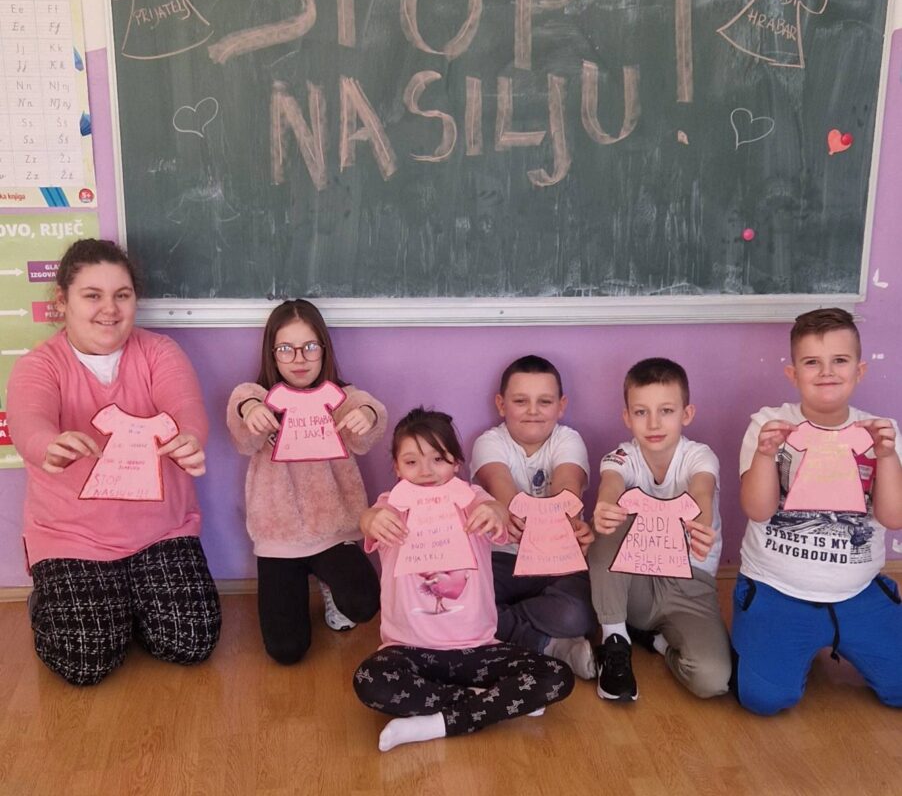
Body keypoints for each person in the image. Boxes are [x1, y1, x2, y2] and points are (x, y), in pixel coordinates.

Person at [7, 238, 221, 686]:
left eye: (122, 295)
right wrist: (49, 444)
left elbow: (186, 407)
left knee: (192, 640)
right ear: (62, 301)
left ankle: (124, 601)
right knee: (84, 661)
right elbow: (29, 423)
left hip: (160, 531)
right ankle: (60, 599)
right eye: (93, 295)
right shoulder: (39, 366)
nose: (110, 309)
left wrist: (189, 437)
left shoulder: (159, 351)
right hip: (72, 538)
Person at [353, 407, 574, 752]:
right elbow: (371, 517)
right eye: (411, 462)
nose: (425, 471)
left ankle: (435, 723)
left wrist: (493, 511)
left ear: (457, 463)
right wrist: (370, 520)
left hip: (477, 650)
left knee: (556, 676)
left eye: (438, 459)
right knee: (370, 680)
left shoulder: (472, 499)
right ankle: (486, 702)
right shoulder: (393, 505)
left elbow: (498, 511)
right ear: (396, 468)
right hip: (409, 652)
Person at [733, 307, 902, 714]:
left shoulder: (880, 431)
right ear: (793, 374)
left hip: (857, 591)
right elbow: (757, 509)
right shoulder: (769, 424)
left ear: (859, 371)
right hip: (777, 588)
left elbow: (894, 518)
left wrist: (887, 456)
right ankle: (767, 639)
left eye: (839, 360)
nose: (826, 372)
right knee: (765, 699)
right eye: (812, 362)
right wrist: (765, 454)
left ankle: (862, 622)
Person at [226, 298, 386, 664]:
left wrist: (367, 415)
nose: (299, 359)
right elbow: (242, 407)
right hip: (279, 537)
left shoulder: (340, 397)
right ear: (272, 354)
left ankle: (329, 583)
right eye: (286, 349)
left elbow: (369, 411)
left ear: (324, 349)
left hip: (333, 531)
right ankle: (297, 585)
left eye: (309, 347)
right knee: (286, 650)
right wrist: (251, 411)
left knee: (363, 603)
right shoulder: (260, 398)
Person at [589, 357, 731, 703]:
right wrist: (605, 505)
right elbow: (611, 483)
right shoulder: (622, 456)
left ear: (686, 414)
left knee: (712, 679)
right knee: (612, 520)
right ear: (627, 417)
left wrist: (698, 522)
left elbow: (701, 491)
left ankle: (656, 642)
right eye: (641, 412)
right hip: (635, 581)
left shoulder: (699, 456)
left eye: (666, 411)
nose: (653, 423)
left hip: (689, 582)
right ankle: (614, 639)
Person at [470, 355, 597, 679]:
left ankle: (496, 626)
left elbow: (567, 489)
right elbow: (504, 491)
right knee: (461, 603)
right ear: (501, 404)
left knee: (579, 614)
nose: (533, 411)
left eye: (544, 401)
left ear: (561, 406)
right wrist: (523, 516)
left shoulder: (568, 439)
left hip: (558, 562)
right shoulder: (489, 442)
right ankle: (549, 644)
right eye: (520, 401)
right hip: (503, 559)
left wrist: (570, 523)